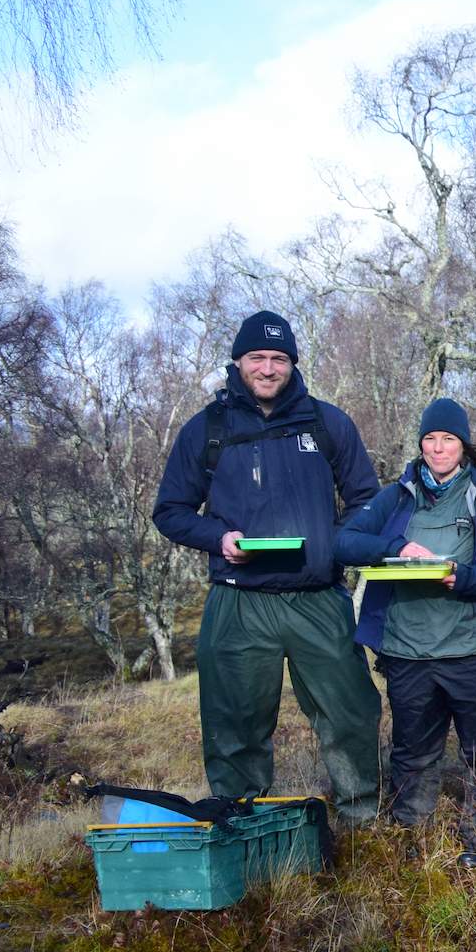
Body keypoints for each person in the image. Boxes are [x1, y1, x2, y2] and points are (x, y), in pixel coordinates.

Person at [152, 310, 383, 822]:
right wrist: (218, 538)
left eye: (279, 358)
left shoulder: (327, 423)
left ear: (293, 364)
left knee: (349, 713)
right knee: (234, 725)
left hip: (318, 598)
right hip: (239, 600)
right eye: (257, 357)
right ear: (238, 361)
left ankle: (362, 818)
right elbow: (170, 511)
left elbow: (368, 499)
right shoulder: (207, 429)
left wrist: (336, 543)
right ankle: (243, 823)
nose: (268, 368)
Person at [336, 400, 476, 867]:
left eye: (448, 439)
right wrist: (397, 547)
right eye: (430, 439)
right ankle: (412, 840)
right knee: (413, 752)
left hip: (472, 650)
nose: (438, 448)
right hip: (407, 652)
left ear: (464, 446)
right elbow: (344, 541)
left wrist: (463, 577)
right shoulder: (397, 497)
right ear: (420, 444)